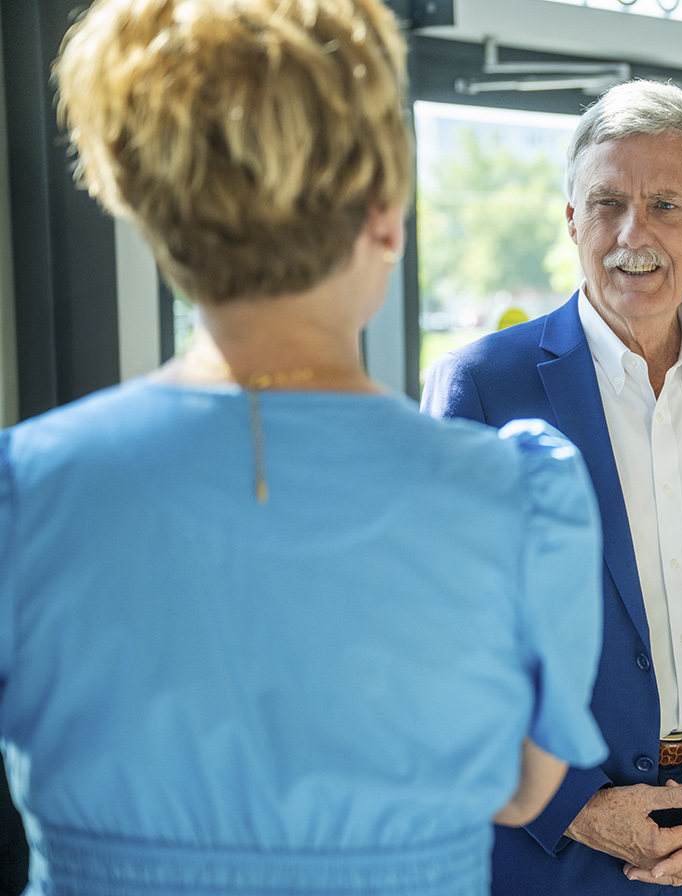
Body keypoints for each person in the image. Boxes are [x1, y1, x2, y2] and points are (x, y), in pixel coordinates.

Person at [1, 0, 607, 893]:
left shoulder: (27, 490)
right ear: (386, 216)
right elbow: (524, 794)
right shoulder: (514, 496)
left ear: (153, 215)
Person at [421, 80, 682, 895]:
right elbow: (439, 640)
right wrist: (575, 808)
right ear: (571, 219)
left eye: (667, 206)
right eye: (606, 202)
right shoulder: (481, 387)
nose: (631, 234)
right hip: (557, 851)